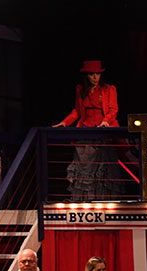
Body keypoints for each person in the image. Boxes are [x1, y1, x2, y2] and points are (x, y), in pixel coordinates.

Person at [52, 60, 124, 201]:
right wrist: (64, 123)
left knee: (103, 168)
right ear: (86, 76)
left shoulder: (109, 89)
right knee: (85, 168)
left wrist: (105, 122)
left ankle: (103, 200)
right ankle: (85, 200)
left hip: (102, 131)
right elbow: (77, 111)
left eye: (98, 74)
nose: (95, 77)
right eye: (92, 74)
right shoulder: (80, 90)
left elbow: (113, 109)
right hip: (85, 131)